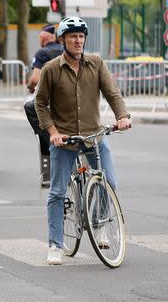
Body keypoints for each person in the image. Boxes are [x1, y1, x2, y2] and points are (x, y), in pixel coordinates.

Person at [35, 17, 131, 265]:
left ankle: (98, 225)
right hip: (64, 139)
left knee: (108, 181)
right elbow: (40, 104)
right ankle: (55, 245)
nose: (78, 41)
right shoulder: (51, 69)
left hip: (93, 136)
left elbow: (112, 93)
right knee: (56, 192)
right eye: (72, 37)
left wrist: (122, 116)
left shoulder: (96, 64)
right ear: (62, 40)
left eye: (81, 36)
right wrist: (53, 132)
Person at [24, 24, 63, 187]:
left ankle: (48, 141)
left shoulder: (42, 53)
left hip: (50, 99)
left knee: (30, 107)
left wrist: (31, 88)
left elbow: (35, 78)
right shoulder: (64, 49)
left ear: (43, 38)